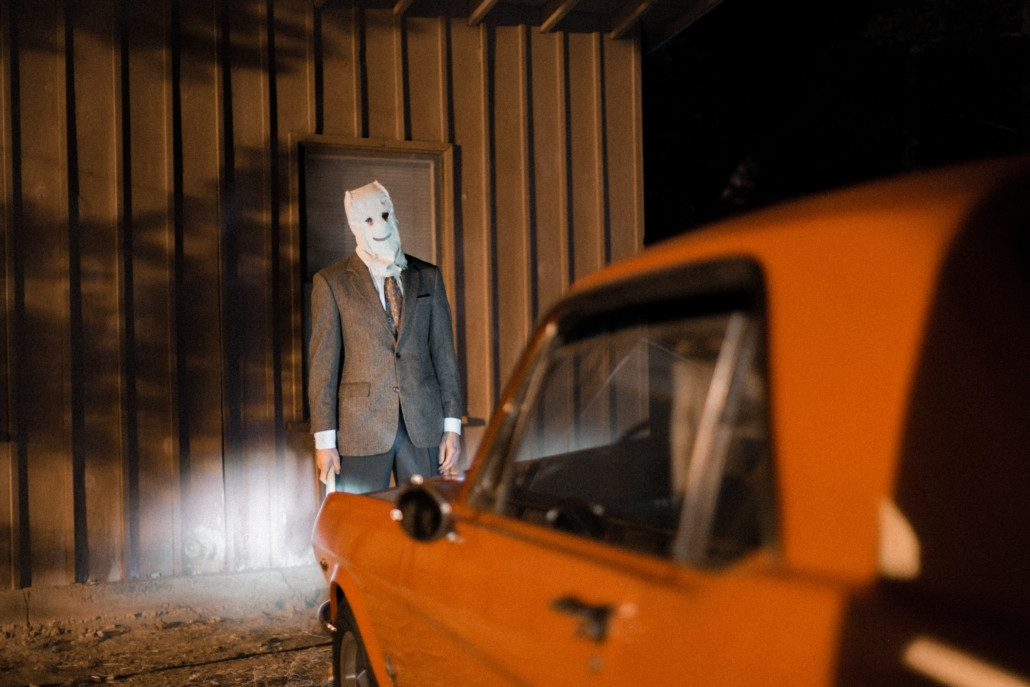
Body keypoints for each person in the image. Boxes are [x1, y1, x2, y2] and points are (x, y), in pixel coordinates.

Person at [309, 180, 463, 493]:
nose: (380, 224)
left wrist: (452, 427)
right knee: (360, 526)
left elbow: (444, 356)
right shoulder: (332, 282)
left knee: (424, 525)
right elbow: (323, 367)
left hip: (423, 427)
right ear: (354, 225)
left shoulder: (428, 276)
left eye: (385, 214)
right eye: (368, 219)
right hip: (360, 431)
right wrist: (324, 441)